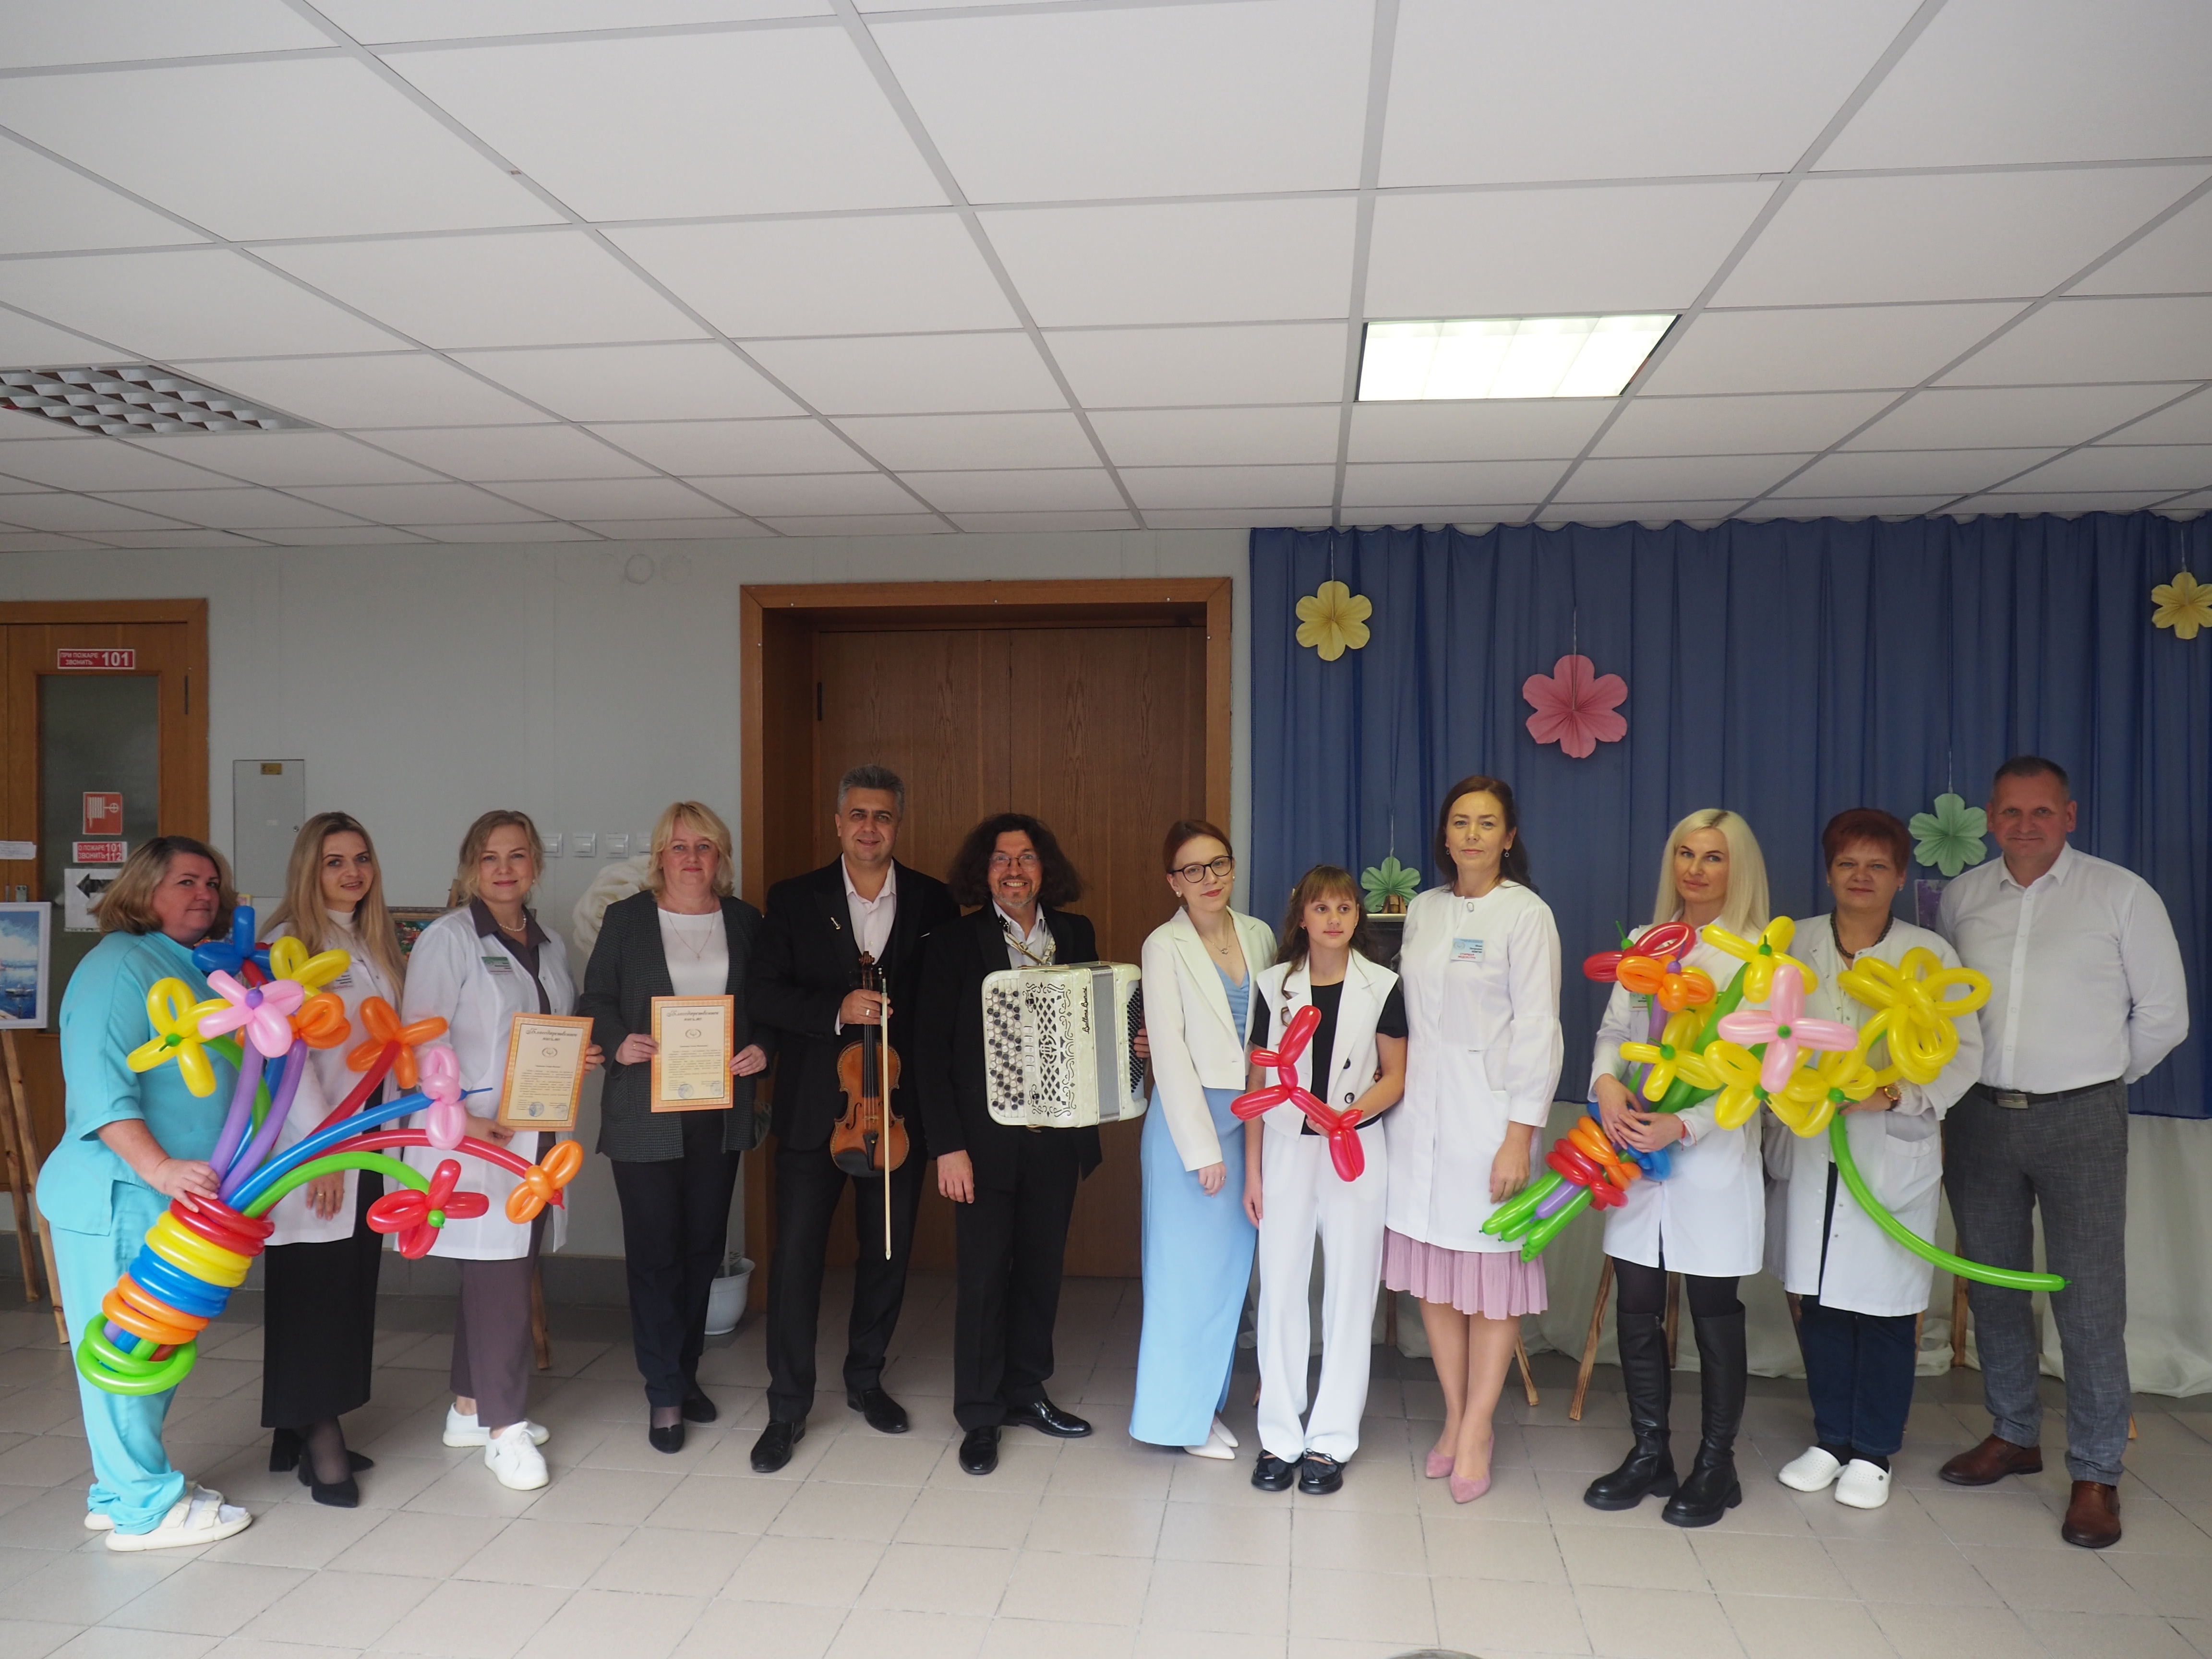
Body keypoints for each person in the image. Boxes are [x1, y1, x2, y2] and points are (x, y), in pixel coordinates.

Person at [1936, 756, 2188, 1549]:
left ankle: (2096, 1472)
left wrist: (2095, 1077)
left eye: (2041, 811)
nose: (2025, 825)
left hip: (2082, 1118)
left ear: (2069, 817)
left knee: (2089, 1298)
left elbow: (2165, 1015)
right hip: (1978, 1116)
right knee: (1995, 1284)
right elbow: (1944, 1009)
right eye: (2010, 812)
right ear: (1989, 818)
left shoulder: (2121, 894)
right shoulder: (1962, 898)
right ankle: (2014, 1432)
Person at [41, 838, 258, 1548]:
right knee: (126, 1356)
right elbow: (100, 1089)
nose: (205, 894)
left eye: (213, 883)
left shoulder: (192, 965)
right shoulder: (118, 965)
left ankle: (121, 1490)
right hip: (119, 1194)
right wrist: (160, 1168)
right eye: (186, 881)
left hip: (175, 1200)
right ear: (143, 890)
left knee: (153, 1350)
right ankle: (143, 1510)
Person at [745, 765, 959, 1473]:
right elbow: (765, 995)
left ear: (899, 825)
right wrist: (836, 1009)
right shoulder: (794, 898)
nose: (870, 828)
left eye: (884, 816)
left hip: (897, 1111)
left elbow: (944, 1005)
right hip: (819, 1111)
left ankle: (866, 1380)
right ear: (838, 824)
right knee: (797, 1261)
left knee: (887, 1253)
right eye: (858, 815)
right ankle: (787, 1406)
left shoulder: (932, 900)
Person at [1769, 809, 1982, 1511]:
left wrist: (1893, 1094)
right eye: (1847, 864)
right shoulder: (1794, 943)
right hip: (1813, 1146)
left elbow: (1964, 1056)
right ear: (1828, 872)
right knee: (1821, 1303)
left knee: (1885, 1308)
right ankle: (1831, 1440)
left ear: (1898, 877)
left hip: (1890, 1151)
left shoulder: (1929, 954)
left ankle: (1874, 1451)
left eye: (1877, 866)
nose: (1861, 877)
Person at [402, 810, 600, 1492]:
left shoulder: (548, 944)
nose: (505, 869)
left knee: (506, 1271)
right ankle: (505, 1431)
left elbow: (553, 1032)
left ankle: (468, 1408)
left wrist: (582, 1054)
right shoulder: (450, 940)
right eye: (490, 858)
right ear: (470, 868)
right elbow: (421, 1040)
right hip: (475, 1140)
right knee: (503, 1283)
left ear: (535, 864)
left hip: (538, 1136)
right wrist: (461, 1119)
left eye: (517, 856)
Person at [1585, 808, 1771, 1527]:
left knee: (1712, 1307)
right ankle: (1650, 1453)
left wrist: (1685, 1124)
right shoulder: (1646, 942)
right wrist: (1607, 1083)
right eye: (1686, 854)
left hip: (1712, 1158)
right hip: (1637, 1152)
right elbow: (1614, 1031)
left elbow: (1759, 1074)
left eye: (1713, 857)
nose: (1696, 869)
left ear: (1738, 868)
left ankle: (1717, 1466)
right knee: (1637, 1299)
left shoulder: (1757, 956)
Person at [1386, 778, 1561, 1504]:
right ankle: (1455, 1416)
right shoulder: (1425, 910)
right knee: (1436, 1274)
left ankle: (1482, 1426)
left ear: (1509, 837)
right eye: (1460, 822)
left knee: (1490, 1279)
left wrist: (1519, 1137)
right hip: (1418, 1118)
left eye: (1488, 824)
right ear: (1445, 834)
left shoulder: (1527, 915)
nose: (1472, 835)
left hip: (1490, 1121)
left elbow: (1539, 1029)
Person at [579, 802, 773, 1454]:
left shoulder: (744, 922)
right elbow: (595, 998)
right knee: (656, 1253)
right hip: (645, 1112)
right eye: (680, 846)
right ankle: (663, 1391)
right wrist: (618, 1039)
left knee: (700, 1251)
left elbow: (768, 1005)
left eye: (705, 847)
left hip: (719, 1112)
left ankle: (684, 1374)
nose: (692, 858)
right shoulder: (627, 919)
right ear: (660, 856)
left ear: (721, 857)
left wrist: (763, 1048)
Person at [917, 813, 1101, 1477]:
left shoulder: (1076, 934)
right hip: (982, 1146)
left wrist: (1128, 1043)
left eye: (1026, 858)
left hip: (1057, 1141)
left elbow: (1093, 1023)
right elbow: (930, 1053)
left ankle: (1026, 1393)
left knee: (1041, 1274)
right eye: (1001, 859)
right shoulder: (953, 943)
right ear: (984, 871)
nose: (1014, 871)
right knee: (984, 1279)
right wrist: (948, 1147)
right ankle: (980, 1414)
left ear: (1045, 869)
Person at [259, 812, 410, 1504]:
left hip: (367, 1140)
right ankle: (320, 1443)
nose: (353, 873)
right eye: (334, 861)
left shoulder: (372, 942)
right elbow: (285, 1064)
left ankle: (298, 1427)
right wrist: (324, 1153)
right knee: (312, 1291)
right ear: (308, 870)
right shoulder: (288, 946)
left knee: (347, 1286)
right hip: (314, 1147)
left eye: (361, 858)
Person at [1244, 865, 1406, 1495]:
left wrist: (1350, 1115)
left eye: (1344, 908)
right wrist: (1253, 1171)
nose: (1333, 919)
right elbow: (1258, 1083)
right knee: (1281, 1290)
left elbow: (1396, 1074)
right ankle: (1279, 1436)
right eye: (1321, 908)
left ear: (1358, 916)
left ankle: (1331, 1440)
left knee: (1349, 1293)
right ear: (1302, 917)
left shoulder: (1383, 985)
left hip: (1354, 1151)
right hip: (1286, 1151)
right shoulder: (1274, 985)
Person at [1130, 820, 1275, 1459]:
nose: (1209, 879)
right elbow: (1168, 1052)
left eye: (1218, 864)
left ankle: (1204, 1409)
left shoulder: (1259, 934)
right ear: (1174, 883)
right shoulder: (1163, 945)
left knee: (1224, 1281)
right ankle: (1174, 1422)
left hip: (1250, 1121)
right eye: (1193, 870)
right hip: (1189, 1129)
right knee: (1183, 1283)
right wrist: (1203, 1151)